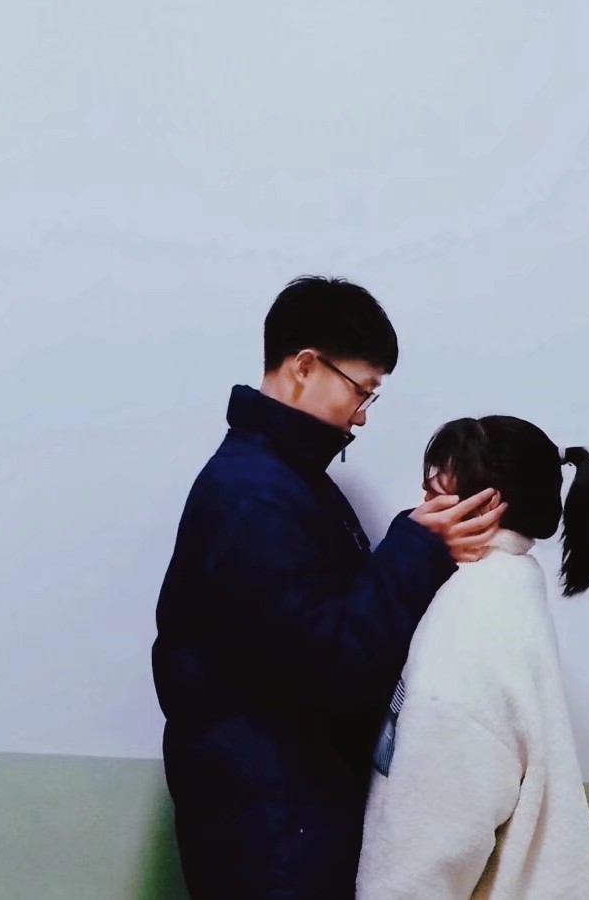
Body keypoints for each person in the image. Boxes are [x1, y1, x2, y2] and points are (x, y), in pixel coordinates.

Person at [151, 277, 506, 900]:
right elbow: (333, 665)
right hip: (267, 833)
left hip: (280, 815)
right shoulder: (253, 495)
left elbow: (324, 624)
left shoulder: (285, 480)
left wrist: (414, 541)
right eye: (361, 390)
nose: (363, 414)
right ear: (305, 366)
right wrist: (418, 547)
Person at [357, 416, 589, 899]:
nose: (419, 513)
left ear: (485, 507)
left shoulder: (467, 626)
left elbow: (425, 856)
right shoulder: (511, 582)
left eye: (434, 496)